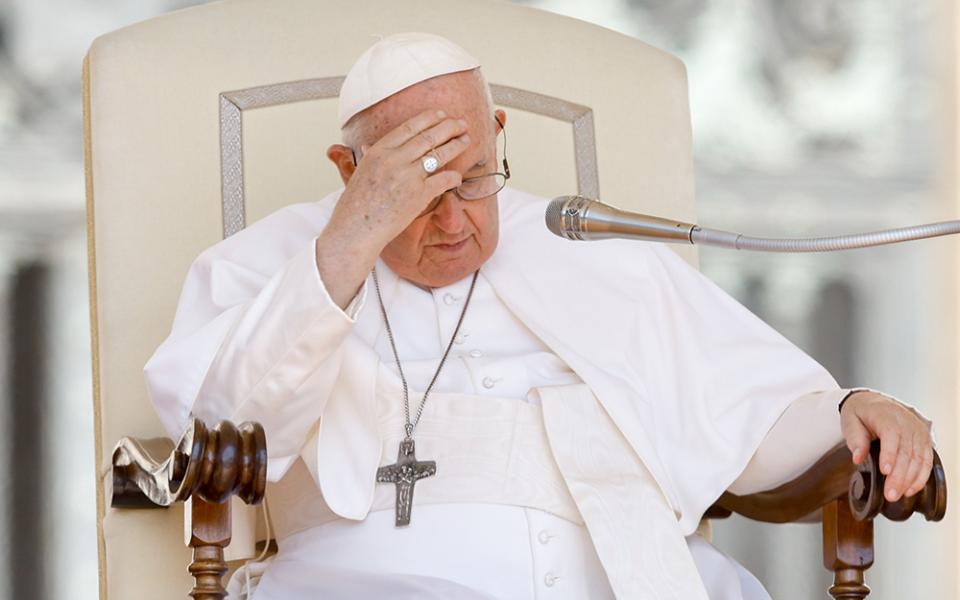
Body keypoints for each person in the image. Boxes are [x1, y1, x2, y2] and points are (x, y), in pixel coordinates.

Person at [145, 33, 935, 599]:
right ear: (348, 170)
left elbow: (747, 408)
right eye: (418, 194)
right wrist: (352, 238)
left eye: (476, 179)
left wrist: (854, 410)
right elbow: (217, 422)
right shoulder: (274, 259)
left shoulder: (585, 240)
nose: (455, 222)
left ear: (498, 134)